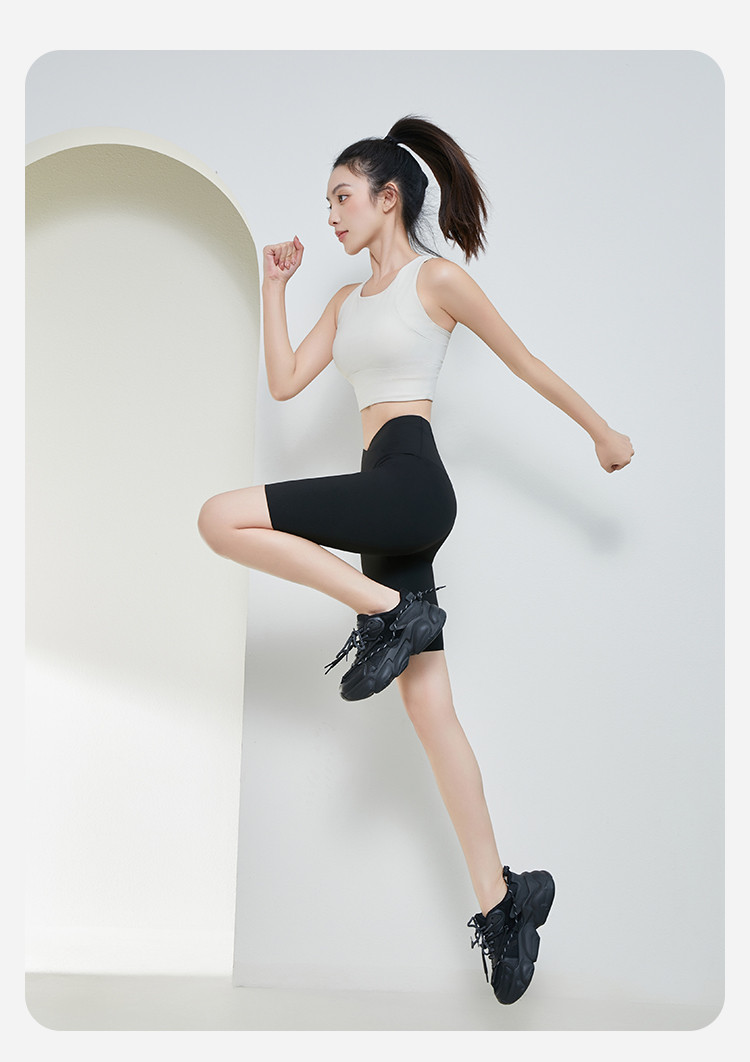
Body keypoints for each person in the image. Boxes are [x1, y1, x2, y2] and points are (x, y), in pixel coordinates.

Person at [198, 115, 634, 1005]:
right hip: (379, 499)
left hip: (412, 480)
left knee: (221, 516)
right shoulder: (343, 302)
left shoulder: (436, 280)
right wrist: (276, 287)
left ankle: (391, 614)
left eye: (342, 197)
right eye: (327, 201)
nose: (330, 214)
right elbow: (285, 381)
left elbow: (525, 363)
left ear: (388, 197)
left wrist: (603, 433)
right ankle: (506, 902)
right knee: (432, 714)